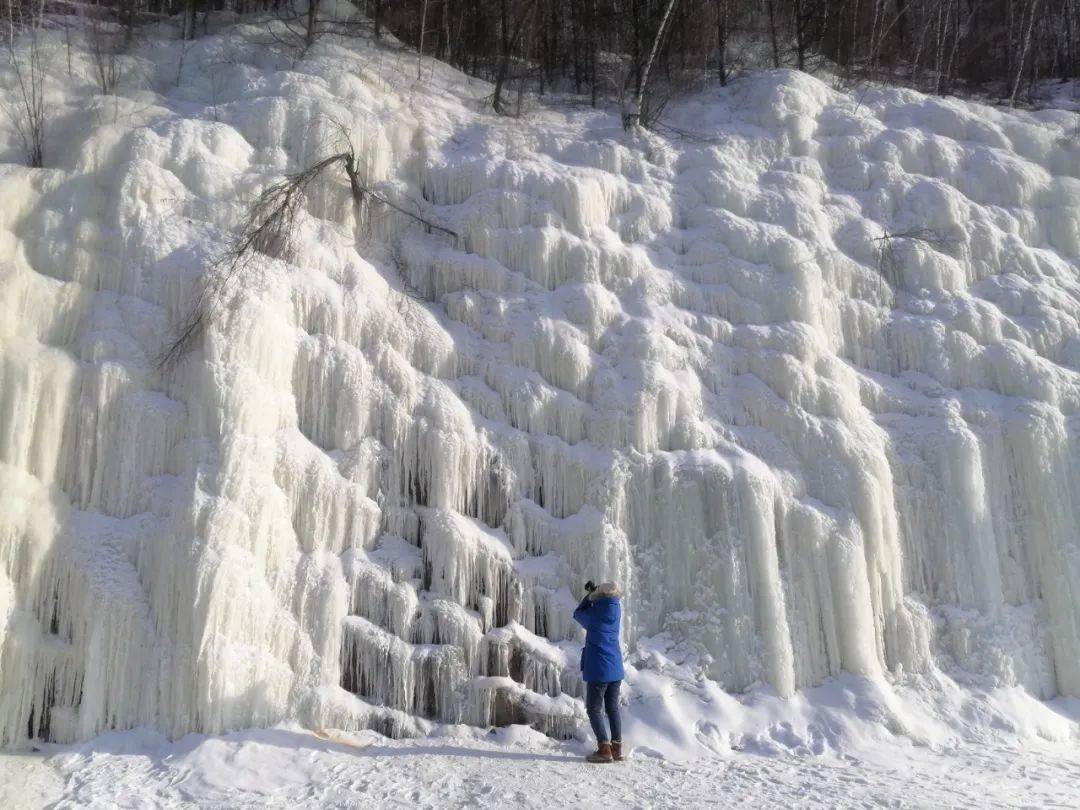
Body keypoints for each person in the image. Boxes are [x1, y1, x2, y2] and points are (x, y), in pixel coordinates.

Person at [573, 580, 625, 763]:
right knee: (612, 708)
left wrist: (589, 596)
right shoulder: (616, 610)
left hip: (599, 669)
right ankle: (617, 749)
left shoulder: (594, 613)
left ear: (600, 596)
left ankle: (604, 749)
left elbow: (578, 613)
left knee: (593, 709)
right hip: (616, 668)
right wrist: (597, 596)